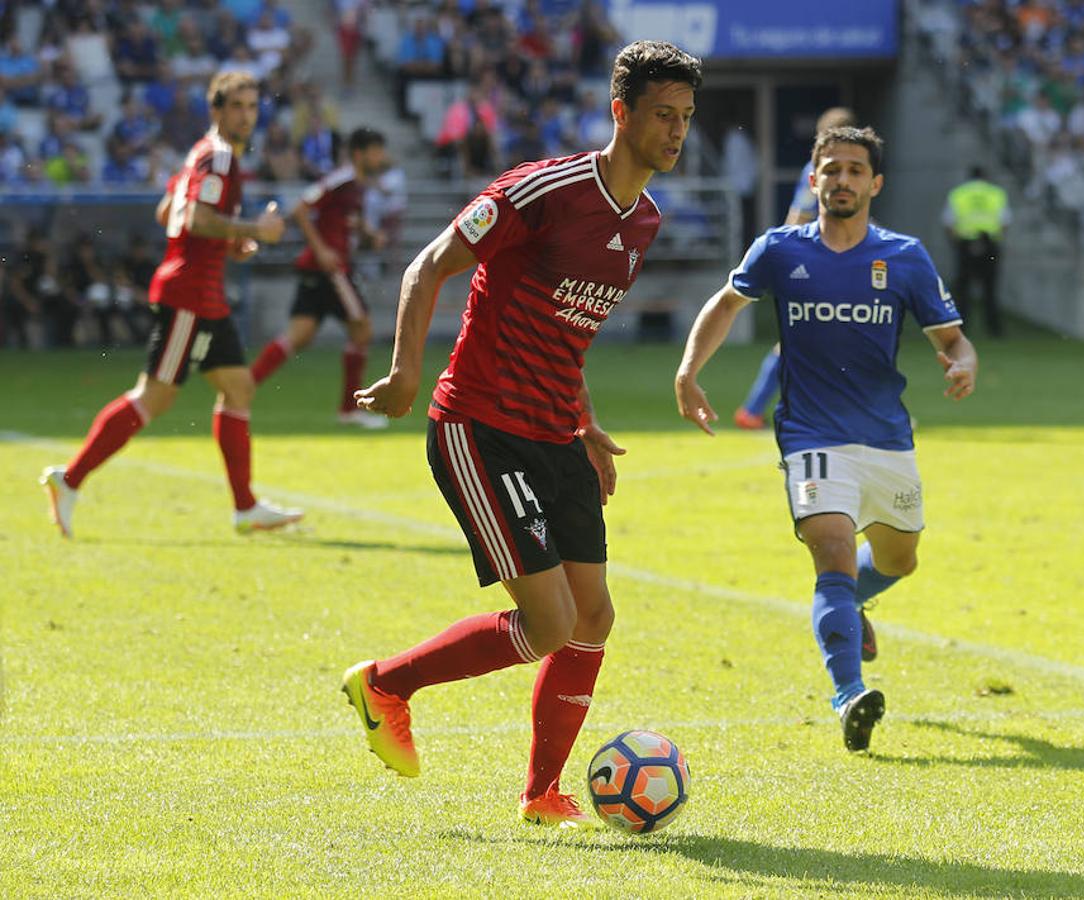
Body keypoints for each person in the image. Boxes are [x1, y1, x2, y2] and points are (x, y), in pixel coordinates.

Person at [340, 40, 702, 826]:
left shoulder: (643, 222)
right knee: (550, 623)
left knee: (593, 617)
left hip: (556, 433)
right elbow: (428, 266)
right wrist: (404, 371)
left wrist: (589, 422)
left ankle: (542, 793)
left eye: (685, 118)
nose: (676, 132)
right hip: (482, 427)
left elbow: (564, 332)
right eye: (662, 116)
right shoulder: (543, 190)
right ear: (621, 113)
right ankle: (384, 685)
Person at [675, 125, 977, 753]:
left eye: (855, 170)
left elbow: (951, 337)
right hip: (811, 435)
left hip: (886, 438)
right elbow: (725, 305)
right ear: (813, 180)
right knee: (833, 550)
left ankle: (852, 606)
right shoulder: (780, 249)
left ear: (876, 183)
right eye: (831, 169)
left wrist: (963, 361)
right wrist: (689, 371)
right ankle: (849, 695)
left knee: (900, 559)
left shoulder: (905, 257)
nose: (842, 179)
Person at [40, 71, 303, 538]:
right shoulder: (219, 158)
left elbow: (169, 214)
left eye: (252, 105)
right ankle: (70, 479)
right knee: (155, 396)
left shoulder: (201, 154)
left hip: (205, 295)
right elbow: (196, 219)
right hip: (190, 296)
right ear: (217, 110)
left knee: (239, 387)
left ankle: (245, 508)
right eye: (238, 105)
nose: (247, 114)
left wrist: (227, 240)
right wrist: (251, 231)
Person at [250, 127, 392, 429]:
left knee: (298, 335)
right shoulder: (341, 179)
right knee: (362, 329)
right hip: (331, 269)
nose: (381, 158)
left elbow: (344, 220)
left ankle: (244, 386)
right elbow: (301, 208)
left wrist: (368, 234)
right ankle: (349, 409)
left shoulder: (357, 185)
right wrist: (323, 249)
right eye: (376, 151)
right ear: (360, 153)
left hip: (319, 268)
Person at [735, 107, 857, 431]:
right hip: (817, 265)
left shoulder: (826, 170)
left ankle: (759, 410)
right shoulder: (819, 170)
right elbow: (799, 217)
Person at [942, 164, 1010, 337]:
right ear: (986, 177)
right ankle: (994, 329)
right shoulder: (996, 193)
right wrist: (996, 242)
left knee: (963, 288)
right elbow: (1004, 222)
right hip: (990, 244)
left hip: (965, 243)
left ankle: (961, 327)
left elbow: (949, 222)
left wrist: (957, 244)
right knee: (990, 288)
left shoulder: (959, 194)